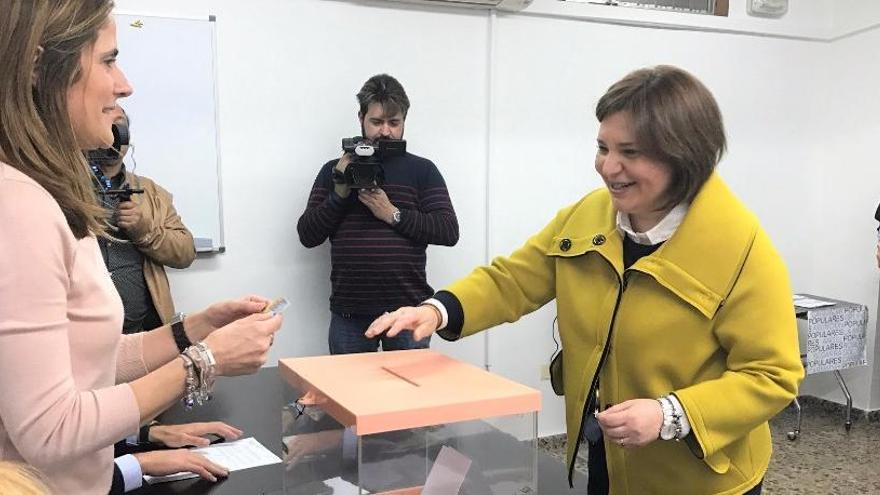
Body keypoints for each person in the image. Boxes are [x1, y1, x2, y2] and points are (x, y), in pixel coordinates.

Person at [366, 66, 804, 495]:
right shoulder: (588, 214)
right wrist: (436, 309)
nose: (608, 167)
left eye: (630, 152)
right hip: (607, 454)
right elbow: (514, 278)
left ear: (684, 154)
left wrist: (671, 413)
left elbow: (773, 374)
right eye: (602, 147)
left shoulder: (742, 247)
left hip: (698, 476)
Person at [0, 2, 283, 493]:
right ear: (42, 70)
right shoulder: (18, 204)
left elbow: (89, 362)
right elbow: (51, 429)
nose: (124, 85)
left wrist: (193, 330)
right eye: (108, 60)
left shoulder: (47, 194)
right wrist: (204, 363)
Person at [297, 74, 459, 354]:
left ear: (405, 122)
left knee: (411, 396)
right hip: (350, 314)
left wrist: (394, 214)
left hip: (409, 312)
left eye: (394, 123)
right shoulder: (334, 170)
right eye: (377, 122)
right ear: (361, 118)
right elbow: (308, 235)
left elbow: (448, 230)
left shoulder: (423, 171)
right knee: (350, 395)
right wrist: (339, 194)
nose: (385, 132)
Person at [89, 108, 196, 333]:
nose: (111, 134)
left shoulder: (152, 193)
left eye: (118, 127)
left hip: (145, 332)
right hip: (85, 334)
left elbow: (186, 252)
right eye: (103, 123)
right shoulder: (63, 190)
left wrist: (144, 229)